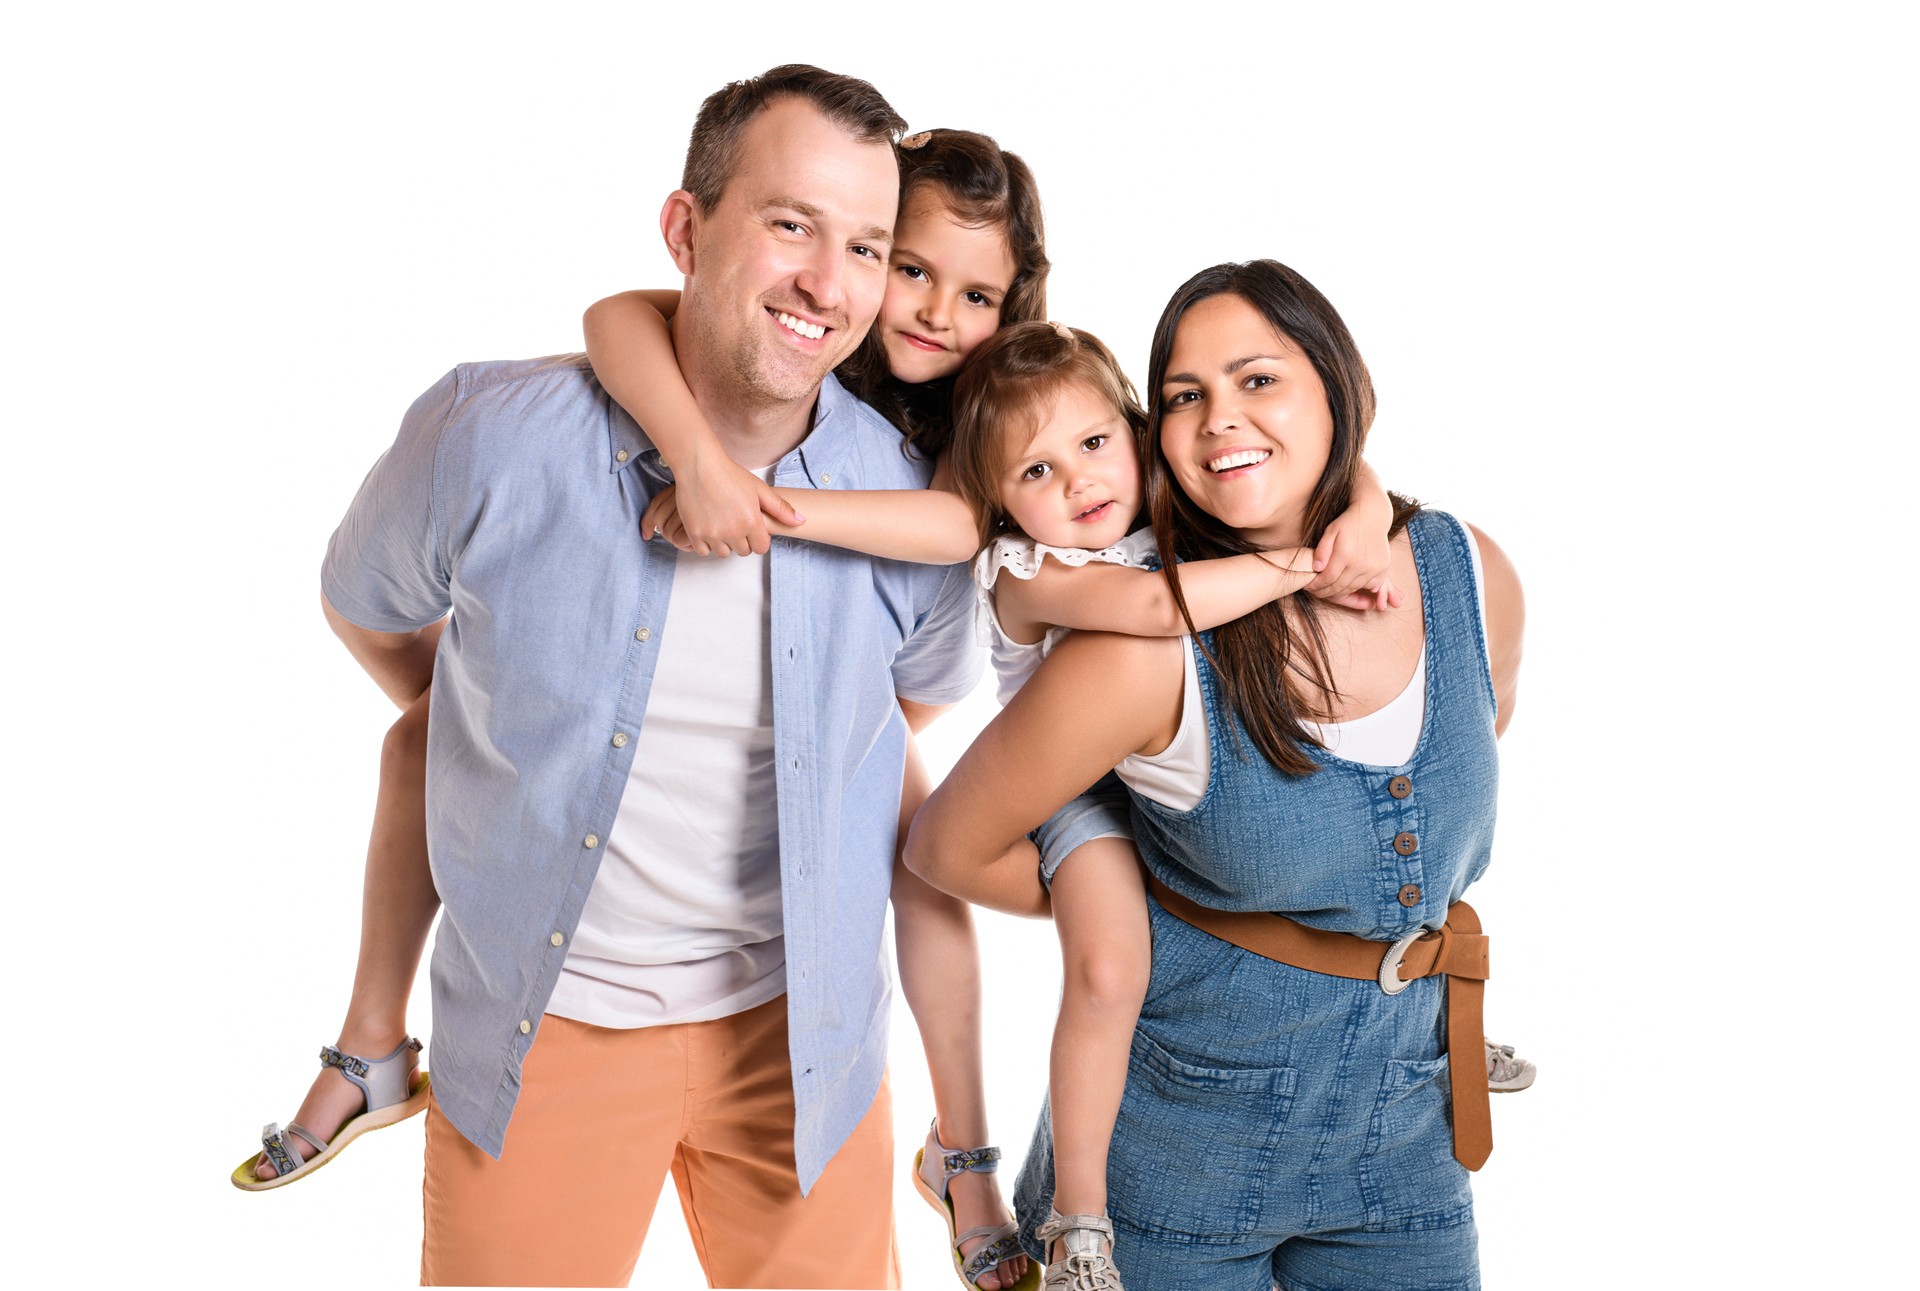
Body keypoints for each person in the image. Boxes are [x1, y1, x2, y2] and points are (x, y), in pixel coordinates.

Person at [233, 121, 1043, 1291]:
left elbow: (901, 705)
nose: (842, 282)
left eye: (868, 246)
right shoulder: (498, 433)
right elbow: (363, 600)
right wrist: (490, 731)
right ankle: (371, 1041)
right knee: (419, 737)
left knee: (908, 833)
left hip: (801, 1040)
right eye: (790, 225)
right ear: (687, 229)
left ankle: (958, 1147)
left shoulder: (934, 481)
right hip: (541, 1029)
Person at [905, 259, 1525, 1290]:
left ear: (1338, 385)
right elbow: (948, 845)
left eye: (1257, 380)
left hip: (1409, 1140)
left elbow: (1470, 750)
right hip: (1177, 1159)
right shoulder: (1137, 643)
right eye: (1186, 396)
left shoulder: (1468, 571)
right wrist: (1134, 906)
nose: (1219, 419)